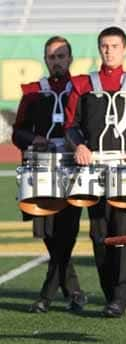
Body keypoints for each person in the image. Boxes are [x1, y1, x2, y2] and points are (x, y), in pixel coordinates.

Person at [64, 26, 126, 318]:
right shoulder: (82, 85)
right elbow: (70, 125)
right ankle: (109, 294)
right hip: (92, 169)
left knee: (123, 231)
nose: (109, 51)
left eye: (115, 46)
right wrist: (79, 146)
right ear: (99, 49)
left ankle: (121, 295)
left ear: (124, 49)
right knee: (98, 233)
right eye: (104, 46)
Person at [12, 36, 87, 314]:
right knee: (48, 233)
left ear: (70, 59)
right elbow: (17, 131)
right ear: (46, 60)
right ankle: (75, 291)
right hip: (40, 168)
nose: (57, 61)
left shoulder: (81, 90)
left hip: (72, 169)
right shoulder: (33, 92)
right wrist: (34, 138)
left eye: (62, 56)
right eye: (52, 57)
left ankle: (46, 294)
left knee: (67, 232)